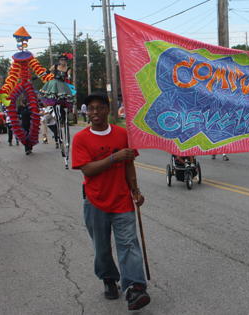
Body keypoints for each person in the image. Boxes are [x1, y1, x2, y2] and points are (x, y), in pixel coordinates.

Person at [71, 91, 150, 311]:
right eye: (90, 108)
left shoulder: (123, 134)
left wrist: (135, 191)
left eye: (99, 107)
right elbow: (87, 169)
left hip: (122, 201)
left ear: (108, 110)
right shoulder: (81, 138)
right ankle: (108, 279)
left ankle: (135, 288)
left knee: (128, 245)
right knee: (102, 248)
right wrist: (114, 157)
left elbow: (129, 165)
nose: (94, 112)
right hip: (95, 201)